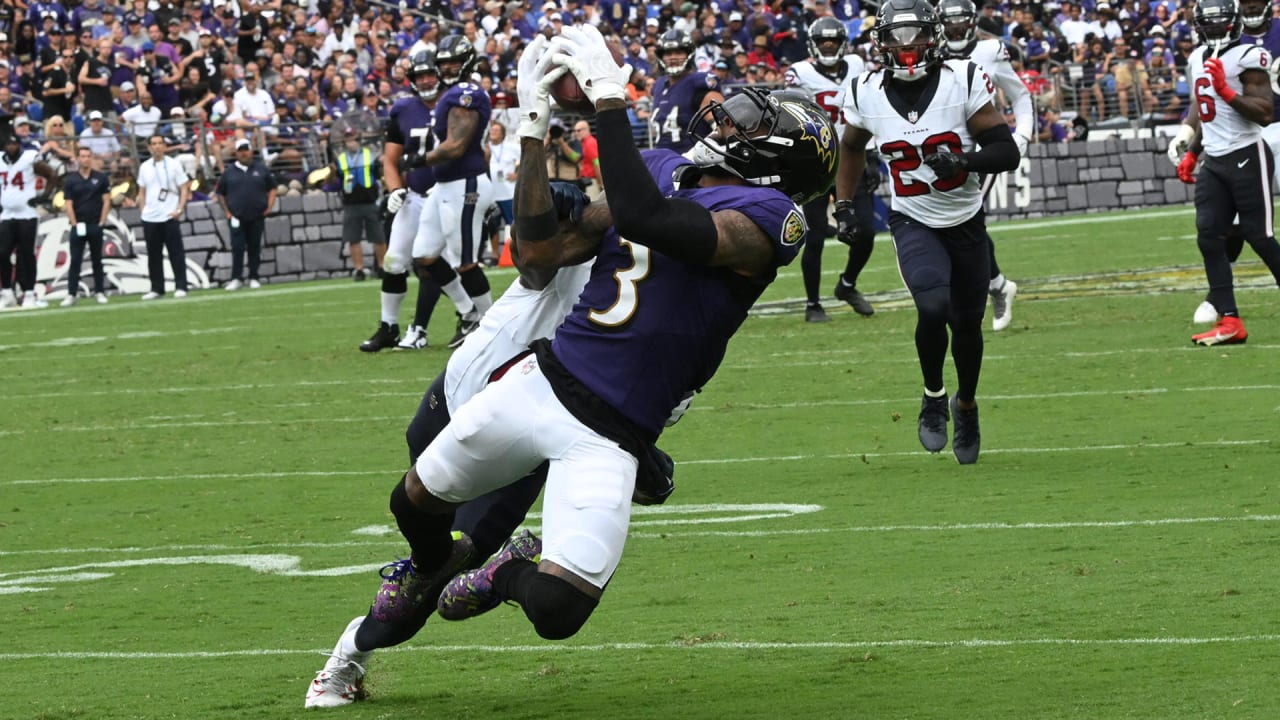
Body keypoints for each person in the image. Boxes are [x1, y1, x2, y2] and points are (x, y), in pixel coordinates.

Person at [359, 26, 835, 651]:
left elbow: (648, 218)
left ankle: (507, 573)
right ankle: (427, 566)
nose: (723, 118)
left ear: (775, 157)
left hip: (616, 430)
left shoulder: (775, 222)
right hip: (545, 380)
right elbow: (537, 258)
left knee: (557, 611)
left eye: (746, 120)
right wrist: (532, 129)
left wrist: (612, 99)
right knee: (412, 501)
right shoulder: (666, 168)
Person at [836, 0, 1020, 464]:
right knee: (932, 305)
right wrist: (843, 203)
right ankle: (934, 396)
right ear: (879, 44)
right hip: (913, 217)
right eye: (896, 38)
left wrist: (965, 161)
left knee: (967, 325)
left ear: (934, 37)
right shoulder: (864, 90)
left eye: (915, 35)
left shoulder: (962, 80)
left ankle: (967, 404)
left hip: (965, 219)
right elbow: (851, 147)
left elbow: (1005, 151)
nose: (907, 47)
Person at [1170, 0, 1280, 345]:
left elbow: (1263, 112)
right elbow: (1205, 110)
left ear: (1233, 23)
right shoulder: (1196, 57)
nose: (1215, 30)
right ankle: (1230, 320)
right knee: (1208, 235)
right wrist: (1192, 151)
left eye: (1220, 24)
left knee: (1258, 235)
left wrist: (1228, 91)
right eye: (1209, 24)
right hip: (1215, 160)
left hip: (1247, 153)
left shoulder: (1248, 55)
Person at [937, 0, 1030, 332]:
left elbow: (1019, 94)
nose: (955, 29)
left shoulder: (991, 51)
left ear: (973, 22)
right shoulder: (928, 52)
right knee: (959, 224)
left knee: (969, 216)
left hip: (983, 149)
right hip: (943, 151)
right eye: (949, 23)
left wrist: (1023, 135)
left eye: (961, 22)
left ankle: (988, 287)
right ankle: (997, 284)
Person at [784, 16, 877, 322]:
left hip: (852, 161)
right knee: (815, 235)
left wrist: (872, 156)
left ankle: (847, 285)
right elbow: (791, 118)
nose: (828, 47)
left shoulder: (857, 65)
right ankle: (813, 303)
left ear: (842, 44)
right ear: (813, 45)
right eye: (823, 42)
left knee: (864, 230)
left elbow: (869, 112)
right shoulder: (799, 73)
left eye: (833, 41)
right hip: (816, 165)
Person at [409, 34, 496, 348]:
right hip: (445, 185)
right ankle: (469, 312)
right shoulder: (452, 93)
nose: (447, 68)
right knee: (424, 254)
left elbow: (456, 146)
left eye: (453, 62)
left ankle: (492, 326)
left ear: (467, 62)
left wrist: (418, 159)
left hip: (465, 184)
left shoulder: (467, 92)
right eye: (443, 63)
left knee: (466, 261)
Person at [358, 51, 445, 352]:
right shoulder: (404, 109)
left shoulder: (456, 103)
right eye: (419, 76)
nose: (426, 80)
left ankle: (458, 320)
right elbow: (390, 160)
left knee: (435, 263)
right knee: (394, 262)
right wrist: (395, 189)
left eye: (430, 73)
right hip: (416, 196)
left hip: (449, 196)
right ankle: (389, 327)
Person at [0, 126, 56, 309]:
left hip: (26, 214)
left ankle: (29, 294)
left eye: (15, 143)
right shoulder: (0, 160)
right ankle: (7, 292)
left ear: (19, 145)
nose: (12, 147)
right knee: (3, 253)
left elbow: (52, 174)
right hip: (6, 215)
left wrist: (43, 197)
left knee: (26, 255)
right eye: (9, 143)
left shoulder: (29, 158)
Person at [214, 138, 277, 290]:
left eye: (246, 150)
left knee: (255, 247)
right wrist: (227, 212)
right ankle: (237, 278)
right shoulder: (229, 172)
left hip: (256, 215)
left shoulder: (261, 169)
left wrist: (269, 207)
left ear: (251, 151)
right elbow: (220, 193)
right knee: (237, 247)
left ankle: (254, 276)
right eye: (241, 150)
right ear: (236, 153)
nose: (244, 153)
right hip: (236, 216)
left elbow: (272, 188)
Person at [648, 29, 724, 151]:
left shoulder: (698, 84)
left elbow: (724, 129)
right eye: (668, 53)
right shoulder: (658, 85)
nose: (672, 58)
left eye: (678, 52)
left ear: (689, 54)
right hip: (662, 159)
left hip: (691, 162)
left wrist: (701, 151)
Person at [136, 133, 192, 300]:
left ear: (165, 146)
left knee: (176, 252)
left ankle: (181, 285)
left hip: (169, 215)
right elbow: (142, 190)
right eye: (154, 144)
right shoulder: (145, 167)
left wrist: (179, 209)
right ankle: (156, 288)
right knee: (153, 255)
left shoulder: (174, 165)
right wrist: (143, 211)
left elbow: (184, 187)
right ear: (149, 147)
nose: (157, 146)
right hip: (150, 217)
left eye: (160, 143)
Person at [59, 146, 112, 306]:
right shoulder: (71, 180)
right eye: (82, 156)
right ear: (78, 158)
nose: (85, 159)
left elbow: (106, 200)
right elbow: (68, 203)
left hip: (95, 224)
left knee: (97, 260)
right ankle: (71, 293)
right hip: (79, 224)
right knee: (75, 260)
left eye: (88, 156)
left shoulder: (101, 178)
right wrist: (74, 223)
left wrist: (102, 221)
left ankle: (100, 291)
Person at [331, 127, 384, 281]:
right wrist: (331, 172)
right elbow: (336, 181)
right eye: (347, 139)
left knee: (378, 237)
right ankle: (359, 269)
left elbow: (377, 175)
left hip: (369, 200)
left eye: (352, 138)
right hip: (351, 202)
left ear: (359, 140)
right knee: (353, 238)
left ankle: (382, 267)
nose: (350, 142)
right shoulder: (340, 159)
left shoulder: (370, 156)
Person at [486, 121, 519, 262]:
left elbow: (527, 159)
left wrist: (518, 174)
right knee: (492, 224)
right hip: (490, 194)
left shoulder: (511, 147)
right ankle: (494, 254)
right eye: (492, 130)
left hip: (508, 193)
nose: (493, 132)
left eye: (496, 130)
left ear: (503, 134)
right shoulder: (485, 149)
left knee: (513, 224)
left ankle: (517, 252)